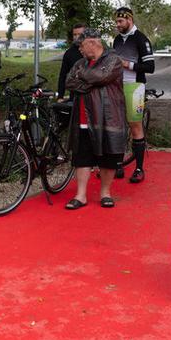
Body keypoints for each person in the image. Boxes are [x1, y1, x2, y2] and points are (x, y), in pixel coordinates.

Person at [63, 29, 126, 210]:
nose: (80, 51)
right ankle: (80, 195)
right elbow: (69, 82)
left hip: (108, 116)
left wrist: (84, 78)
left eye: (81, 46)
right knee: (82, 157)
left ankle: (105, 193)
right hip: (83, 117)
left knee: (108, 156)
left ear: (92, 43)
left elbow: (101, 76)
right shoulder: (80, 62)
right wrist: (91, 81)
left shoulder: (113, 59)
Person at [112, 7, 155, 183]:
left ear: (129, 20)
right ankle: (118, 164)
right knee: (118, 127)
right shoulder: (116, 40)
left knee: (135, 126)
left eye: (120, 21)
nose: (117, 25)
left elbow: (150, 67)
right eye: (116, 22)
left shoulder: (141, 39)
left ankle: (138, 168)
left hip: (135, 86)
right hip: (117, 86)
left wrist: (126, 64)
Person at [57, 24, 86, 100]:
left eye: (79, 34)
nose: (76, 37)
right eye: (74, 35)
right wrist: (60, 96)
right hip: (75, 96)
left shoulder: (93, 51)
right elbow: (63, 75)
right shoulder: (69, 53)